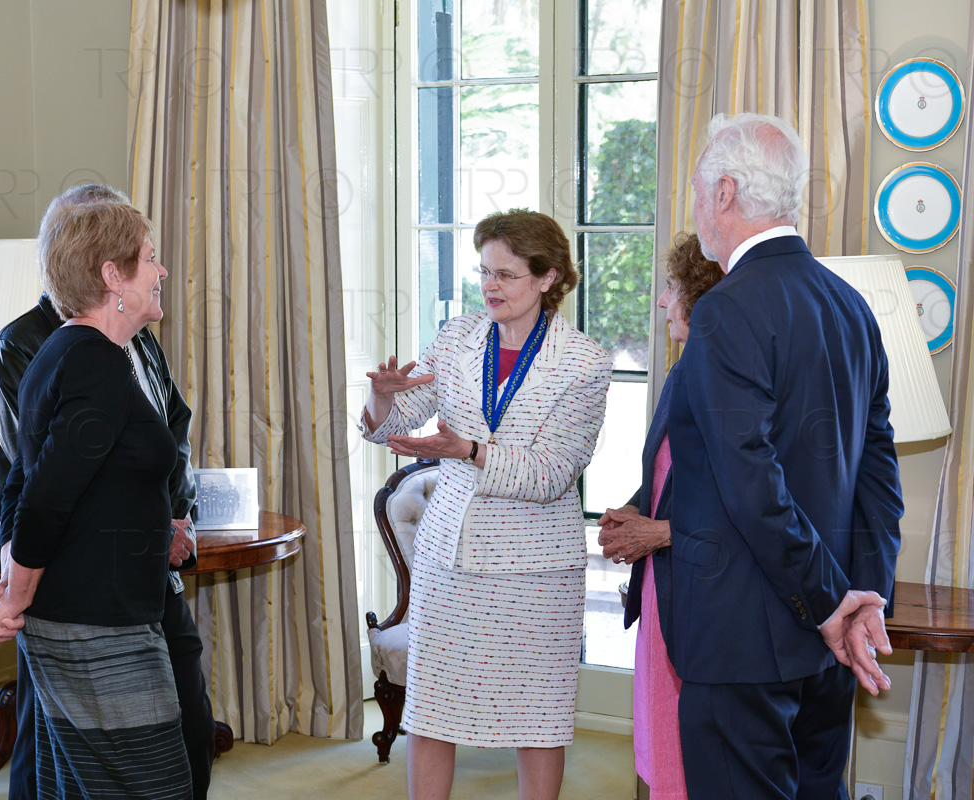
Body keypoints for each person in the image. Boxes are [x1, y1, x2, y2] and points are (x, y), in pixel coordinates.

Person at [667, 113, 903, 799]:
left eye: (697, 189)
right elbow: (879, 478)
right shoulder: (851, 304)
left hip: (745, 639)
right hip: (829, 641)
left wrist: (833, 605)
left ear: (724, 193)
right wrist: (861, 600)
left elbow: (751, 482)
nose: (696, 206)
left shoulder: (725, 309)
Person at [360, 209, 611, 800]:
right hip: (448, 564)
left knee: (538, 720)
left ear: (548, 277)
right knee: (431, 713)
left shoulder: (585, 362)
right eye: (483, 272)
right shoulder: (456, 338)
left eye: (506, 274)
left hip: (535, 571)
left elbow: (551, 474)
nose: (490, 286)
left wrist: (469, 451)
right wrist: (381, 395)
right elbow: (393, 424)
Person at [0, 200, 193, 799]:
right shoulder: (94, 365)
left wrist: (12, 590)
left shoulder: (59, 351)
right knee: (155, 787)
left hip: (79, 614)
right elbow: (45, 497)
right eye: (151, 259)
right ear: (112, 275)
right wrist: (14, 600)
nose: (161, 271)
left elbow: (21, 480)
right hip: (100, 626)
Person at [597, 234, 722, 800]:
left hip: (704, 593)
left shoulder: (728, 377)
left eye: (672, 287)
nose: (661, 301)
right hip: (663, 587)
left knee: (687, 758)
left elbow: (748, 500)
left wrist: (661, 532)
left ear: (702, 297)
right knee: (660, 742)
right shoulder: (683, 368)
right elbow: (672, 473)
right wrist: (636, 510)